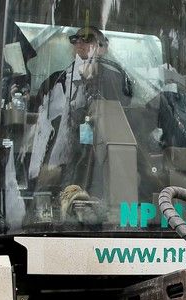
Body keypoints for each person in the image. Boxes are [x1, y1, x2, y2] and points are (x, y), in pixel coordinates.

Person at [25, 26, 133, 189]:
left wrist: (92, 85)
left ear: (103, 48)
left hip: (102, 159)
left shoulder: (117, 81)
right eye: (75, 39)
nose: (80, 43)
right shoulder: (55, 81)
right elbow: (38, 124)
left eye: (88, 39)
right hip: (60, 159)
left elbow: (123, 120)